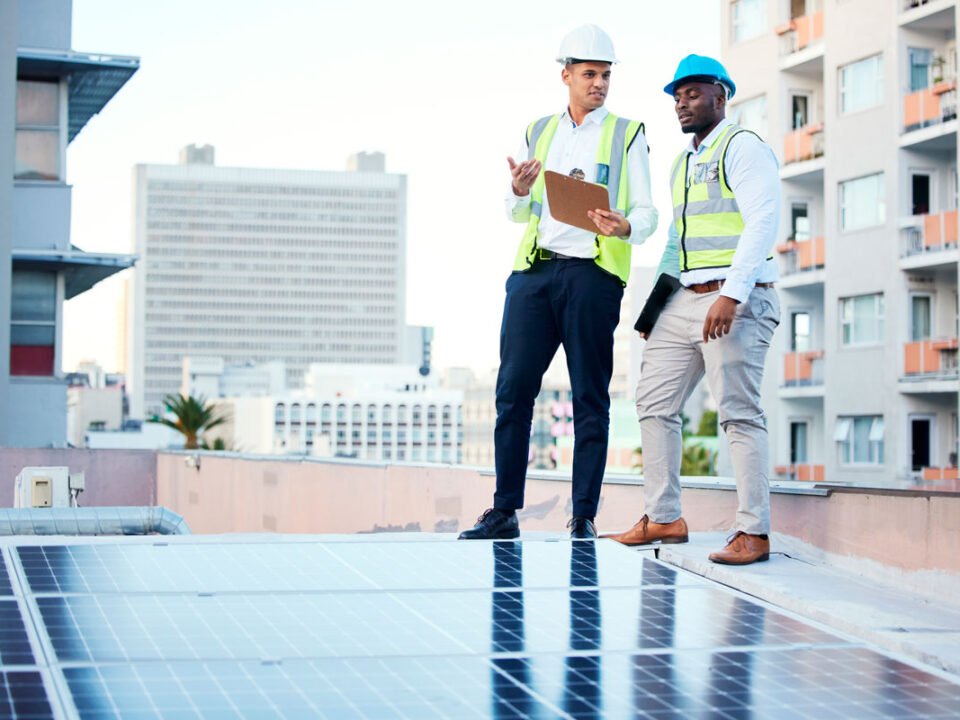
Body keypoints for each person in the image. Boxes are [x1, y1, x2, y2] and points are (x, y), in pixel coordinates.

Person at [459, 25, 658, 541]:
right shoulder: (539, 130)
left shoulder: (628, 133)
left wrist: (627, 225)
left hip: (591, 275)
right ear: (565, 75)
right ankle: (504, 512)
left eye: (605, 75)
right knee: (513, 391)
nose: (599, 84)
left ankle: (583, 518)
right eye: (589, 74)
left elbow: (648, 212)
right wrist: (518, 190)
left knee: (590, 397)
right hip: (535, 274)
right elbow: (519, 211)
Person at [604, 55, 780, 565]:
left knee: (739, 415)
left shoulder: (742, 147)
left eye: (693, 93)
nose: (682, 102)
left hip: (736, 298)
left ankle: (755, 532)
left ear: (721, 96)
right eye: (677, 95)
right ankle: (664, 517)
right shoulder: (682, 162)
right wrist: (652, 310)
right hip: (684, 299)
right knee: (653, 403)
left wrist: (734, 292)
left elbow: (763, 219)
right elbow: (676, 243)